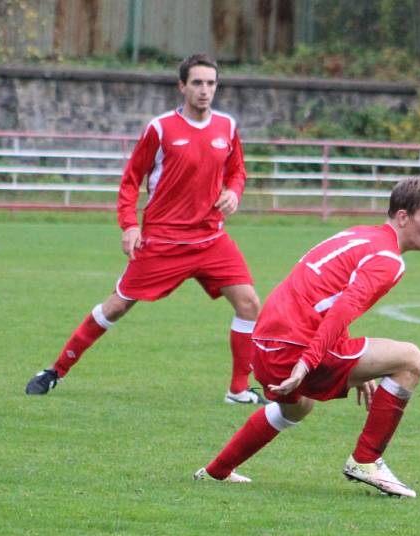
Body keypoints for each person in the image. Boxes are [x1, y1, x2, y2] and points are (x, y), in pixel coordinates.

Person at [26, 53, 266, 404]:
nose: (204, 90)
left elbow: (237, 170)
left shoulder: (227, 127)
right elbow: (130, 180)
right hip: (163, 241)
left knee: (249, 304)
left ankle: (238, 390)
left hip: (211, 239)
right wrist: (129, 225)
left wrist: (234, 191)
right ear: (182, 86)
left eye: (211, 83)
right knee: (116, 307)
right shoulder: (161, 129)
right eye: (197, 83)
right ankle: (56, 370)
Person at [193, 177, 420, 498]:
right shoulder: (388, 259)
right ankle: (366, 460)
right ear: (403, 216)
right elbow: (344, 306)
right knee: (410, 360)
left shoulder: (359, 234)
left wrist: (354, 362)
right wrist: (307, 362)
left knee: (297, 408)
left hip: (267, 341)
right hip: (296, 347)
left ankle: (217, 471)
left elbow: (325, 297)